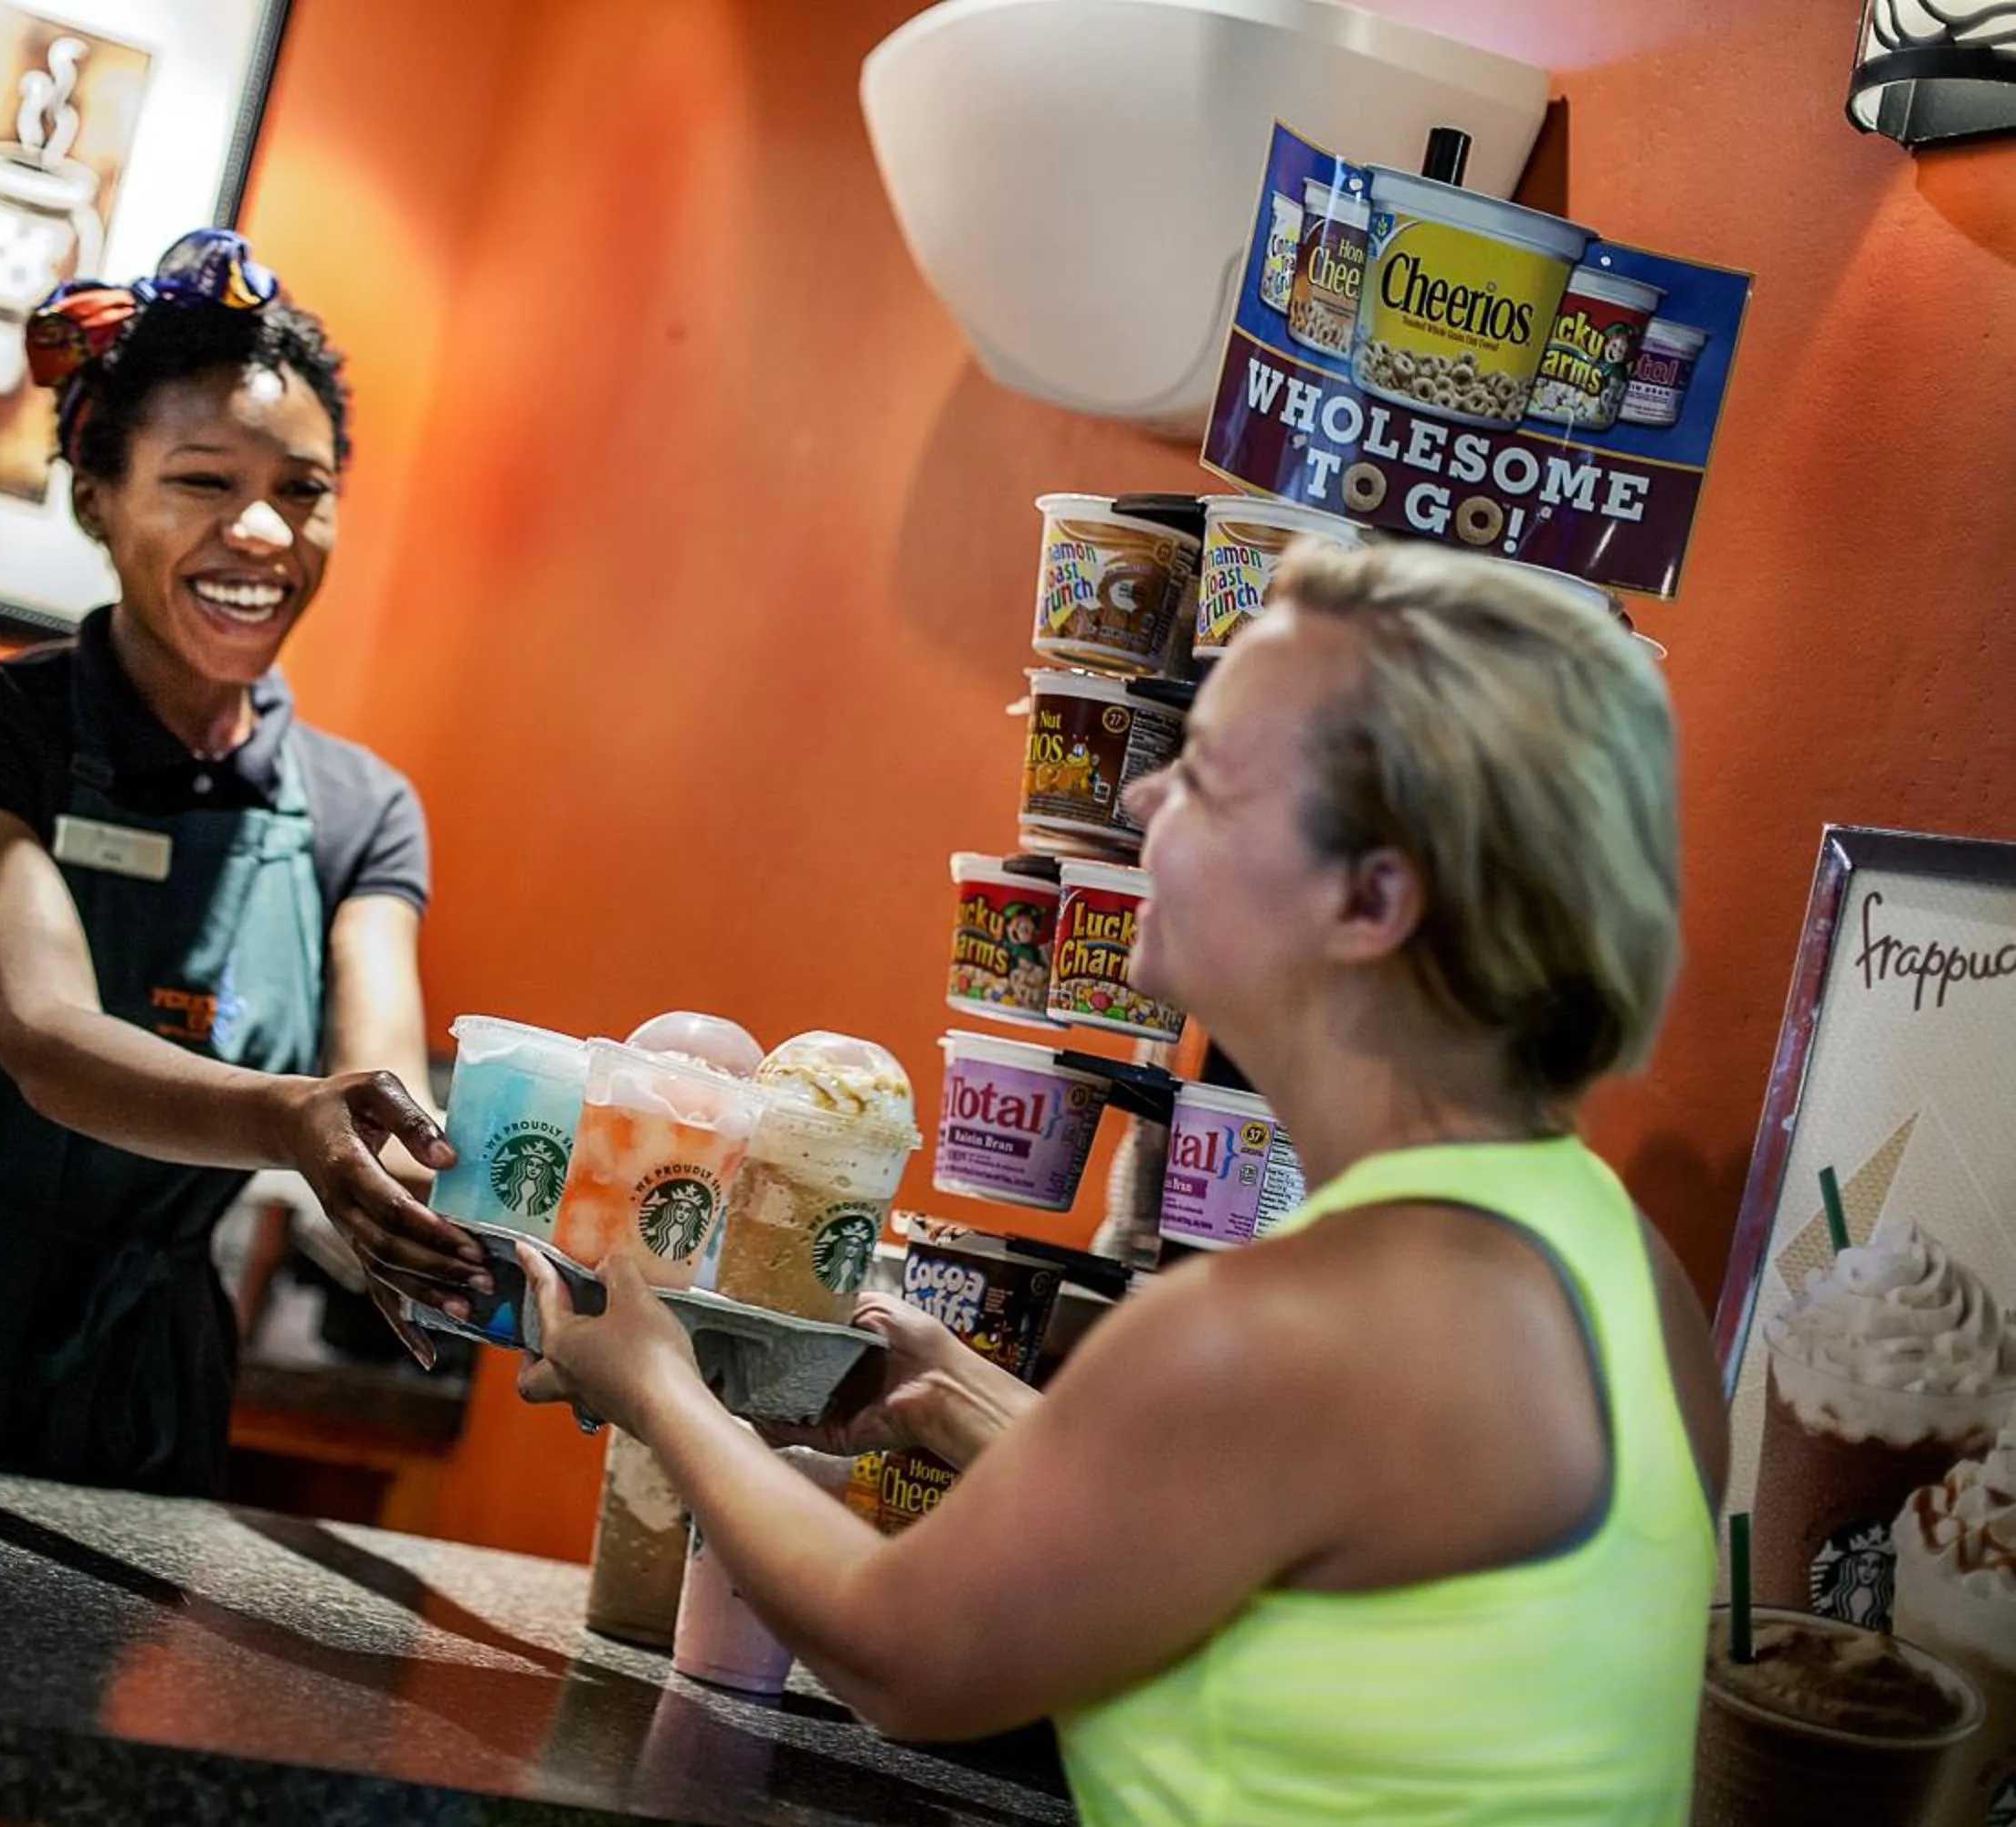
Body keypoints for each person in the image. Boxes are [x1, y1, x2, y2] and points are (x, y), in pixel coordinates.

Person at [516, 540, 1729, 1822]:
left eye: (1208, 777)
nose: (1147, 802)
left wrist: (653, 1382)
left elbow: (905, 1651)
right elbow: (1305, 1564)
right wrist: (956, 1394)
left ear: (1371, 900)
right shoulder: (1629, 1269)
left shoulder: (1279, 1332)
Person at [0, 230, 488, 1496]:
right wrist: (294, 1120)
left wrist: (443, 1214)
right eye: (199, 481)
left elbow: (384, 1087)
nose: (261, 533)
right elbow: (45, 1034)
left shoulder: (360, 809)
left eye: (303, 489)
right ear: (96, 497)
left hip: (153, 1386)